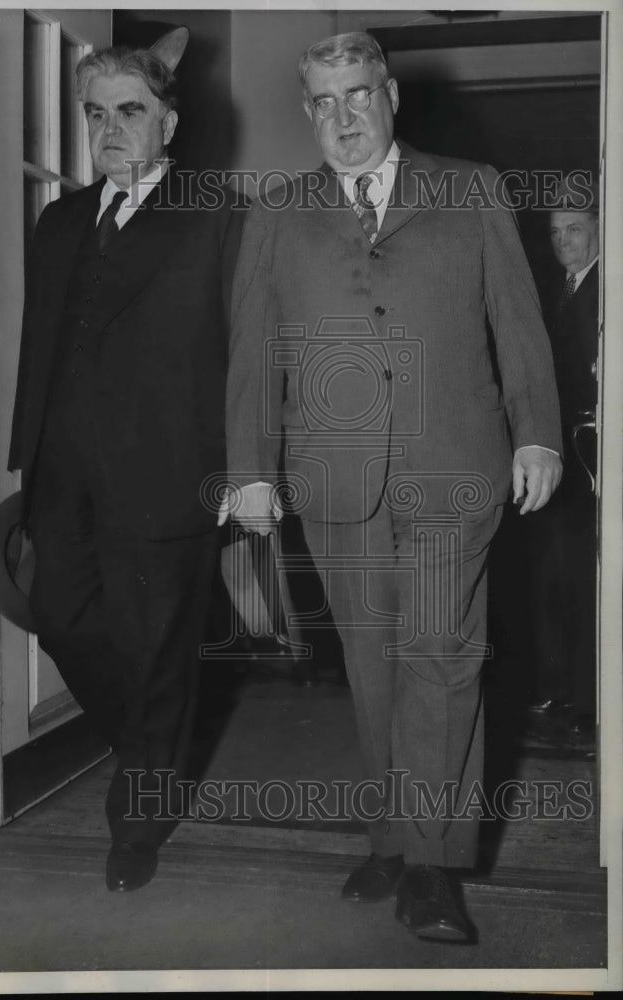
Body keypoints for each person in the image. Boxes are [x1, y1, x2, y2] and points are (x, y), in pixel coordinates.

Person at [223, 31, 562, 943]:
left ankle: (431, 865)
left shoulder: (470, 187)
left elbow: (517, 323)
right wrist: (250, 469)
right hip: (334, 475)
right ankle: (392, 833)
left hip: (455, 465)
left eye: (357, 95)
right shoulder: (279, 211)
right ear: (308, 113)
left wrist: (538, 436)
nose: (342, 117)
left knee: (440, 659)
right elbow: (253, 351)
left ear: (390, 97)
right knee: (373, 669)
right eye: (323, 102)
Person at [9, 31, 243, 893]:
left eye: (130, 112)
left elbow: (253, 351)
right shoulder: (61, 218)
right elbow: (42, 348)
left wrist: (238, 468)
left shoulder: (217, 211)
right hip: (63, 474)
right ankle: (152, 748)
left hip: (167, 474)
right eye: (96, 113)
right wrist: (25, 458)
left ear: (169, 123)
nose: (110, 130)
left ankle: (136, 821)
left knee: (155, 654)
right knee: (63, 620)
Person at [529, 176, 599, 733]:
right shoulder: (563, 288)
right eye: (555, 231)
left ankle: (588, 698)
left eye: (575, 229)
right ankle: (562, 688)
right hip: (561, 455)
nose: (563, 241)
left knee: (582, 578)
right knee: (555, 577)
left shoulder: (605, 291)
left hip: (590, 454)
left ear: (600, 229)